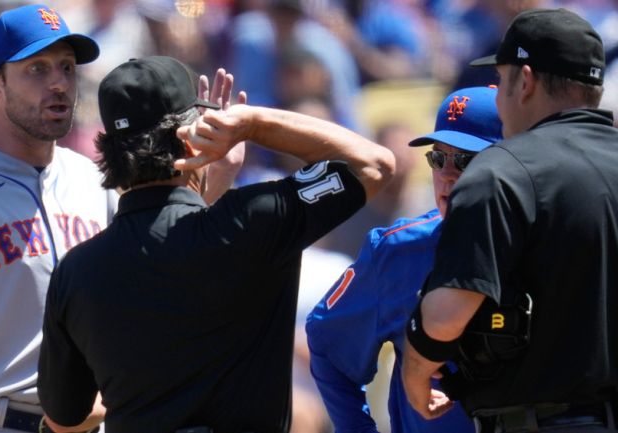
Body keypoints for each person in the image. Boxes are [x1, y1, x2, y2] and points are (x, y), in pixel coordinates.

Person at [0, 4, 242, 433]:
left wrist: (217, 178)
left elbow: (168, 279)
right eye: (37, 69)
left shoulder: (97, 180)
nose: (59, 83)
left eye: (67, 68)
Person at [36, 55, 395, 433]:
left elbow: (65, 419)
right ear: (193, 139)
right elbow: (374, 164)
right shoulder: (254, 220)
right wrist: (254, 125)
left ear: (109, 150)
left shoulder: (77, 271)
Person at [401, 8, 618, 433]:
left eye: (501, 80)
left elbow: (445, 318)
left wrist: (414, 369)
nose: (498, 97)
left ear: (526, 81)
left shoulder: (501, 172)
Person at [306, 86, 502, 433]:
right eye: (439, 158)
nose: (448, 174)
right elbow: (327, 346)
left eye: (467, 159)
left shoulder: (553, 244)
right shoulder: (399, 250)